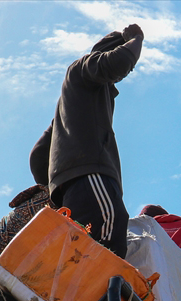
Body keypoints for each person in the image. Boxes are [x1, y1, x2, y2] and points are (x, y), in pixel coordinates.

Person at [30, 25, 144, 258]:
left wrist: (58, 186)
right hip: (92, 178)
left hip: (71, 192)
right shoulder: (81, 70)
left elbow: (39, 155)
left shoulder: (69, 106)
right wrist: (136, 38)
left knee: (80, 260)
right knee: (107, 253)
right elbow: (120, 61)